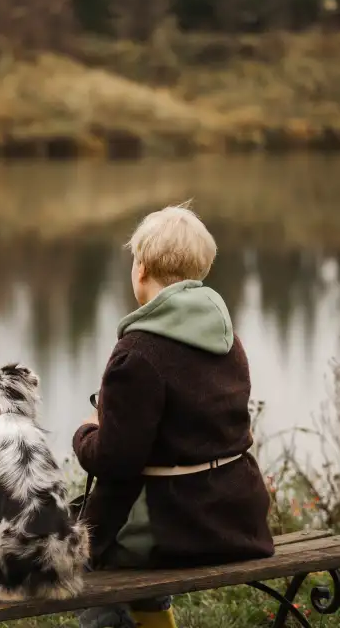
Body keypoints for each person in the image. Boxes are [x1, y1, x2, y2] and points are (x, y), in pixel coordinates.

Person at [72, 204, 274, 628]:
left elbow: (115, 461)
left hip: (177, 529)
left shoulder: (138, 353)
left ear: (140, 269)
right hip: (239, 520)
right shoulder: (228, 339)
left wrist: (86, 434)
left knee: (79, 557)